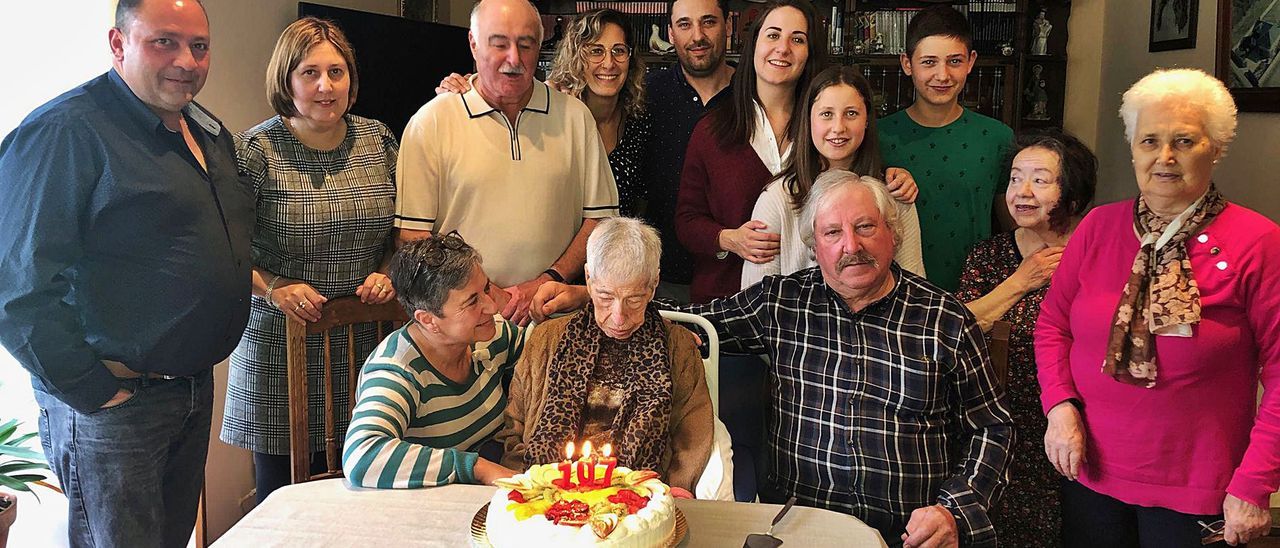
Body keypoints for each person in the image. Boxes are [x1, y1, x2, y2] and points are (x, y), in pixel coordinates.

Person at [534, 171, 1014, 547]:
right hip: (796, 524)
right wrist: (594, 295)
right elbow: (687, 318)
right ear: (813, 247)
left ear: (893, 233)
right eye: (832, 233)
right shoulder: (783, 302)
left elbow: (993, 428)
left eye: (865, 227)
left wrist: (954, 508)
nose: (851, 246)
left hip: (910, 531)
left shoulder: (944, 319)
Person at [0, 1, 254, 546]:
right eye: (164, 42)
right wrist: (94, 392)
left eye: (199, 46)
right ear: (118, 44)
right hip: (117, 401)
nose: (186, 61)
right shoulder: (65, 132)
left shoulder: (205, 129)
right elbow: (15, 289)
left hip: (189, 388)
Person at [1037, 68, 1280, 547]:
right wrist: (1059, 407)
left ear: (1216, 147)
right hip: (1091, 470)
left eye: (1185, 141)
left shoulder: (1259, 242)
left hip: (1198, 485)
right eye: (1149, 141)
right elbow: (1052, 327)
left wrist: (1254, 483)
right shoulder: (1097, 229)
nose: (1165, 157)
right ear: (1132, 150)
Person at [218, 17, 400, 503]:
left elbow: (401, 231)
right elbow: (223, 248)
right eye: (310, 73)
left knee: (361, 491)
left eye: (337, 72)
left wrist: (387, 271)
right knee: (286, 501)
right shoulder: (254, 151)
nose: (326, 86)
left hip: (364, 346)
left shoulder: (378, 140)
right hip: (282, 348)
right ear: (286, 79)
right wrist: (274, 287)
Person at [397, 0, 619, 325]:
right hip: (465, 328)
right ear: (473, 44)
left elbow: (599, 220)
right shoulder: (431, 122)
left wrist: (547, 279)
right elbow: (411, 236)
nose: (513, 59)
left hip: (552, 318)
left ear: (540, 45)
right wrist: (486, 294)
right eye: (499, 44)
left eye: (525, 44)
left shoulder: (575, 118)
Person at [496, 218, 714, 492]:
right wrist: (526, 485)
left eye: (634, 299)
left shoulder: (677, 346)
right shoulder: (546, 339)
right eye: (605, 296)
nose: (619, 317)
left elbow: (692, 432)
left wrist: (679, 487)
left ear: (654, 283)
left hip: (639, 497)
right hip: (549, 494)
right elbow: (515, 425)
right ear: (588, 278)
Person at [954, 130, 1097, 546]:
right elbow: (956, 332)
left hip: (1079, 427)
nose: (1022, 191)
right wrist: (1019, 282)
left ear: (1071, 191)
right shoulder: (989, 255)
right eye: (1016, 178)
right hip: (1002, 427)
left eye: (1040, 179)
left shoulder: (1096, 253)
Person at [342, 233, 524, 488]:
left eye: (486, 289)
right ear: (428, 320)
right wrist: (476, 468)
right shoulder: (397, 370)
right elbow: (362, 457)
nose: (492, 306)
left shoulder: (491, 334)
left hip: (483, 493)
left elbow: (545, 354)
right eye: (472, 301)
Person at [436, 9, 651, 218]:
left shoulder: (638, 118)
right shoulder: (551, 106)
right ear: (577, 56)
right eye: (596, 51)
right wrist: (467, 87)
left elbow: (641, 203)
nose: (608, 63)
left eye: (619, 50)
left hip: (617, 248)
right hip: (559, 249)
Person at [741, 65, 924, 290]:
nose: (838, 127)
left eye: (851, 113)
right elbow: (755, 299)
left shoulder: (895, 193)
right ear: (809, 119)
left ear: (867, 119)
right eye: (827, 114)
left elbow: (914, 289)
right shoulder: (777, 199)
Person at [877, 5, 1014, 292]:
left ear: (971, 61)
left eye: (954, 61)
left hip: (974, 293)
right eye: (928, 62)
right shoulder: (877, 137)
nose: (942, 75)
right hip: (891, 294)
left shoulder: (998, 138)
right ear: (907, 63)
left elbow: (1014, 228)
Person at [642, 0, 737, 302]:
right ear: (670, 33)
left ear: (729, 26)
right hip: (661, 276)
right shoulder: (646, 93)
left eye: (708, 22)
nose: (697, 36)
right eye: (684, 24)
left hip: (739, 277)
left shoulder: (755, 92)